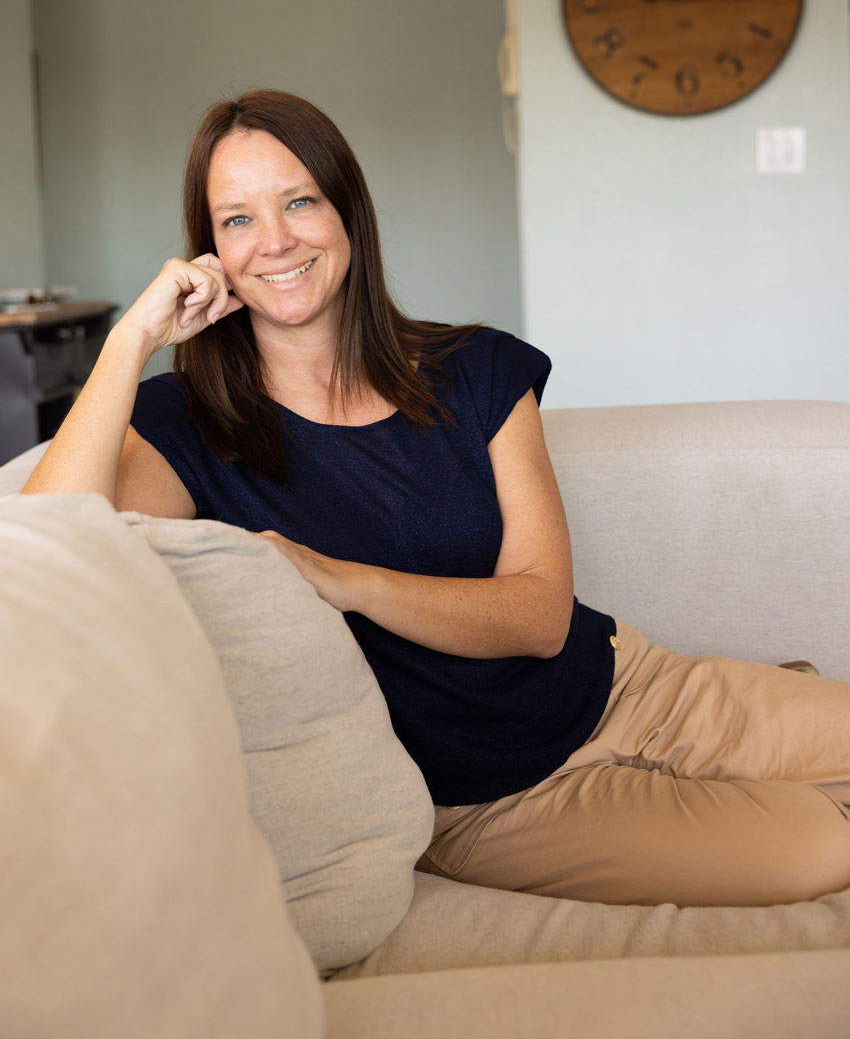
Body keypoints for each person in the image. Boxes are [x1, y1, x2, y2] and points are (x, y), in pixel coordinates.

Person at [24, 89, 850, 909]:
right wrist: (131, 339)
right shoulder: (186, 425)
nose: (274, 241)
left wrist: (341, 580)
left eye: (299, 201)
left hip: (629, 687)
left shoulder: (477, 369)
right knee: (823, 849)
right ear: (209, 249)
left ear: (348, 210)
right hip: (497, 802)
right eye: (236, 219)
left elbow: (539, 617)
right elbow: (44, 544)